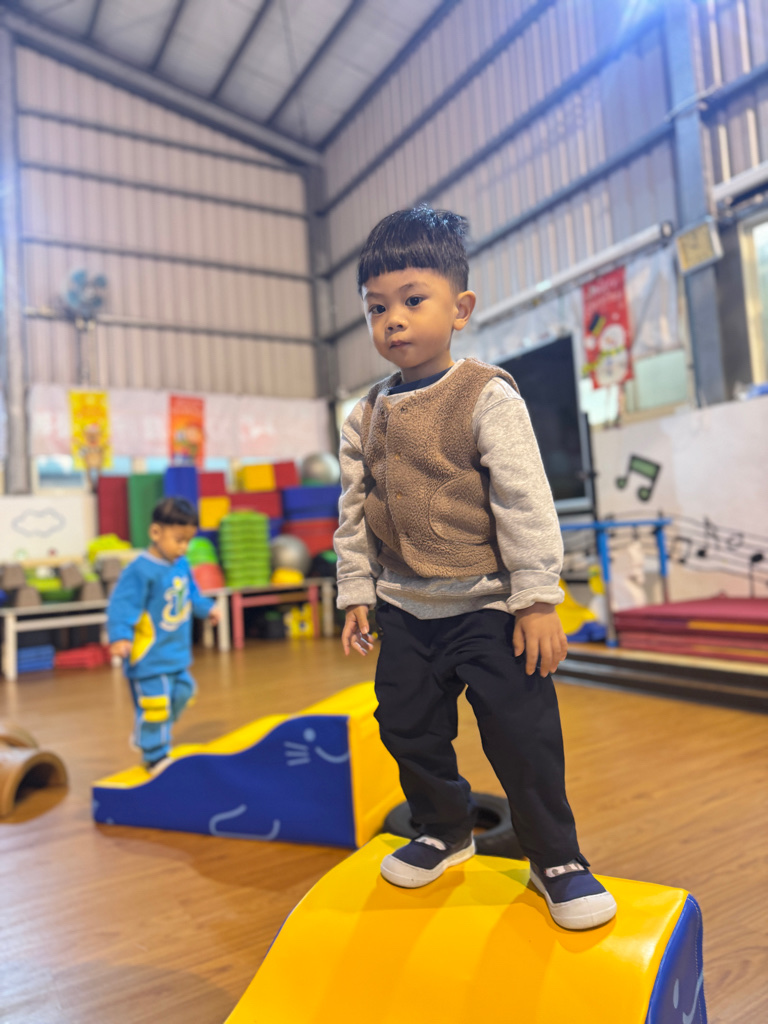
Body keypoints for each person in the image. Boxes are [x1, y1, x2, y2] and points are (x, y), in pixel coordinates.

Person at [334, 205, 617, 930]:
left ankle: (557, 858)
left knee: (523, 737)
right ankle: (443, 828)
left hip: (490, 606)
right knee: (405, 726)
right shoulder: (363, 416)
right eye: (376, 308)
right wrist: (357, 590)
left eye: (412, 300)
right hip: (405, 608)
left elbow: (524, 499)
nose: (393, 320)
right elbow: (354, 510)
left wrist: (538, 599)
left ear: (460, 308)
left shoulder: (485, 394)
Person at [108, 497, 220, 773]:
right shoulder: (139, 569)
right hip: (149, 656)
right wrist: (120, 636)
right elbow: (122, 605)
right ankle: (155, 755)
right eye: (178, 540)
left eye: (188, 541)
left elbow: (191, 594)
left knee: (184, 692)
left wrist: (207, 609)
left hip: (175, 653)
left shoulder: (181, 564)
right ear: (156, 532)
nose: (183, 547)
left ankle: (148, 730)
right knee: (156, 705)